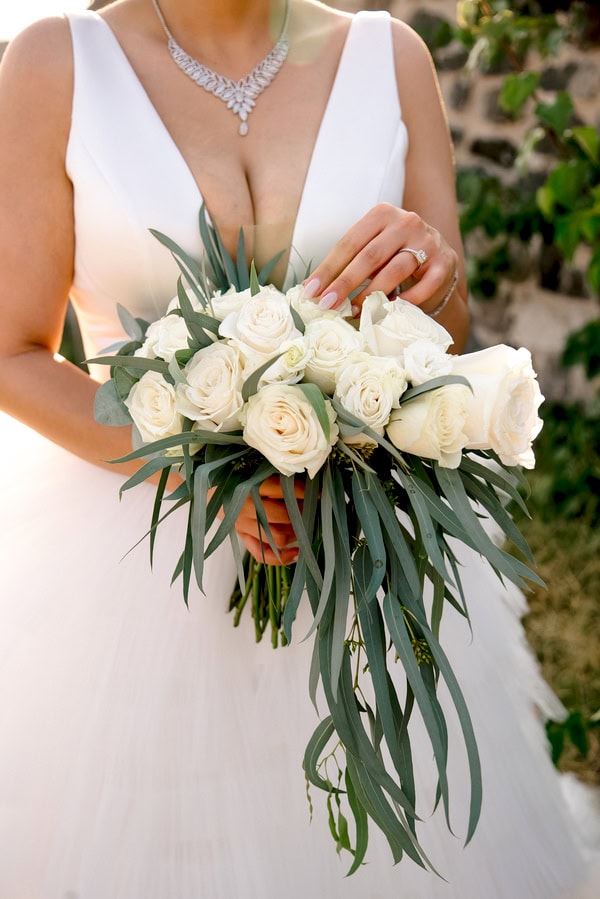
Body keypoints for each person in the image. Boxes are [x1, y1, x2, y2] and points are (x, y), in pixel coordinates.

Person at [0, 1, 595, 896]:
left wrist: (431, 266)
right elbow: (12, 352)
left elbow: (447, 325)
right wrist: (191, 476)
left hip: (365, 564)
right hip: (135, 564)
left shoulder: (391, 56)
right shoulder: (57, 62)